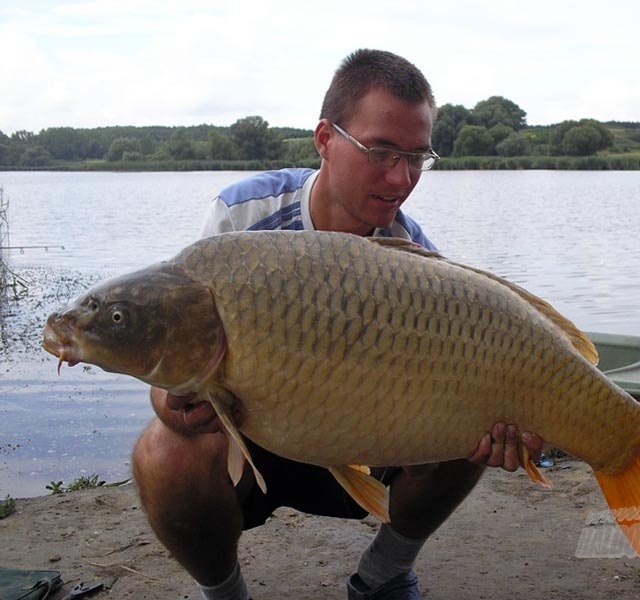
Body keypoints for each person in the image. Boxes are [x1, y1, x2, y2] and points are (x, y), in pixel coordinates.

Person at [131, 48, 543, 600]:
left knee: (474, 412)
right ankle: (225, 595)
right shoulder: (242, 219)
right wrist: (177, 406)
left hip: (367, 438)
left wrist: (505, 427)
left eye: (418, 157)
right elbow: (175, 373)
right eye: (381, 151)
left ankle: (384, 574)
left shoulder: (416, 259)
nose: (401, 177)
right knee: (163, 450)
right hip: (254, 442)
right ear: (325, 138)